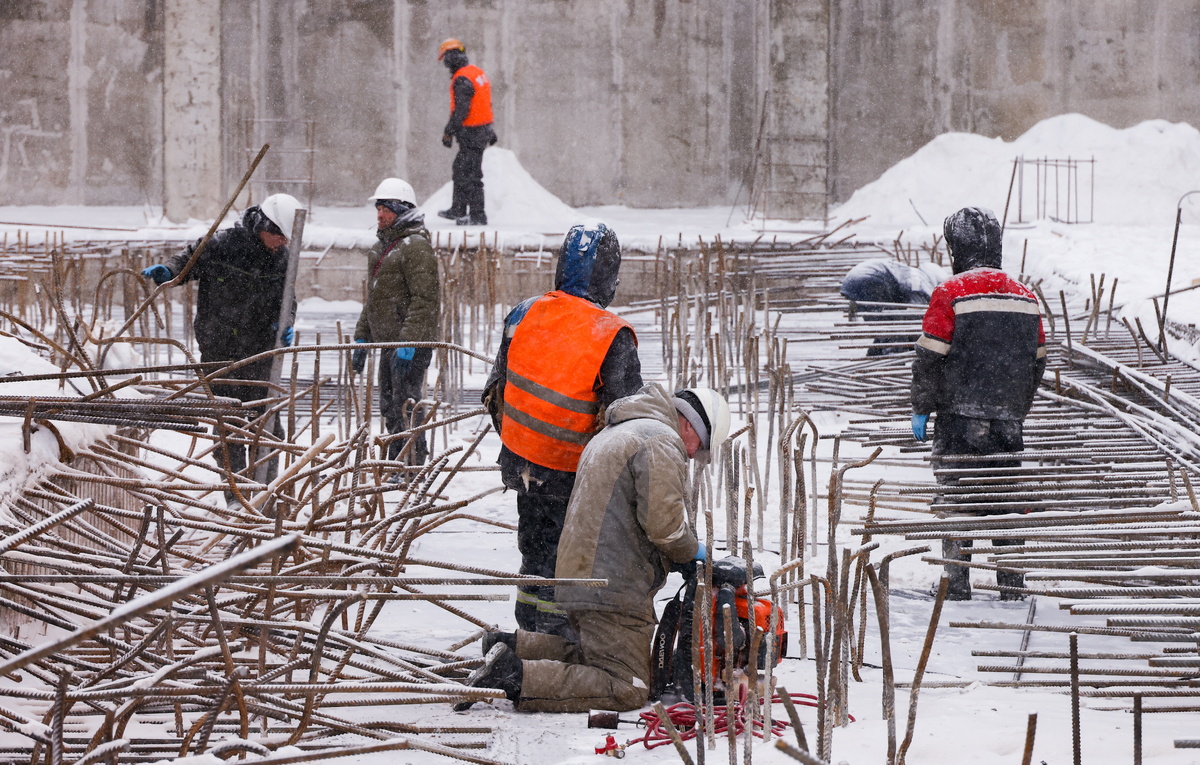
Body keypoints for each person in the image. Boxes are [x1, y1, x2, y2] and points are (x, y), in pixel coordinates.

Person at [455, 384, 729, 713]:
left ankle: (509, 646)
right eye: (699, 447)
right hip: (612, 583)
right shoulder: (660, 439)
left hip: (579, 573)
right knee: (627, 685)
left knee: (592, 656)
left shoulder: (618, 432)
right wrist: (692, 552)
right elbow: (664, 526)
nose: (692, 455)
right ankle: (514, 675)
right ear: (690, 424)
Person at [482, 222, 642, 639]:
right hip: (571, 476)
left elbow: (495, 392)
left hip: (520, 463)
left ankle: (529, 632)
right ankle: (554, 644)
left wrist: (523, 442)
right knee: (567, 561)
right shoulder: (611, 335)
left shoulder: (524, 312)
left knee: (533, 551)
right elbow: (629, 424)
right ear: (609, 274)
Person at [911, 206, 1047, 601]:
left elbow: (930, 358)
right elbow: (1038, 360)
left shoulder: (950, 292)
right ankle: (1011, 588)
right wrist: (1015, 406)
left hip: (958, 418)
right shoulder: (1025, 295)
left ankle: (957, 587)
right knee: (1004, 501)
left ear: (957, 246)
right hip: (1008, 422)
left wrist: (922, 405)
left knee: (958, 501)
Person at [141, 193, 302, 502]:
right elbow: (187, 261)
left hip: (260, 349)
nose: (282, 242)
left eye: (286, 237)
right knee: (228, 426)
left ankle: (266, 494)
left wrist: (286, 322)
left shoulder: (282, 258)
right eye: (278, 234)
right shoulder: (223, 245)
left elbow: (287, 297)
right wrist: (170, 273)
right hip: (219, 348)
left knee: (267, 423)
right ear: (262, 225)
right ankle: (237, 495)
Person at [350, 178, 441, 473]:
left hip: (409, 346)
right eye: (378, 209)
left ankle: (412, 465)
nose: (379, 215)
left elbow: (425, 300)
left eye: (385, 209)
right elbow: (375, 299)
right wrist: (362, 336)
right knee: (390, 405)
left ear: (401, 210)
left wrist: (409, 342)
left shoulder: (415, 247)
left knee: (407, 404)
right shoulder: (383, 248)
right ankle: (396, 463)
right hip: (389, 343)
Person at [436, 38, 497, 226]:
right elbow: (485, 103)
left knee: (471, 174)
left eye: (446, 59)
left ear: (450, 58)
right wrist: (490, 130)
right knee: (462, 169)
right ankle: (459, 209)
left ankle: (477, 215)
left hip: (472, 134)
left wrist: (449, 131)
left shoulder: (462, 78)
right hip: (481, 131)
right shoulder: (476, 73)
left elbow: (462, 110)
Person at [840, 258, 944, 356]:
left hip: (853, 282)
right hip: (869, 280)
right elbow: (917, 317)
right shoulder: (920, 283)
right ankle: (892, 356)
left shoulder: (909, 273)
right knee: (895, 326)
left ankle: (874, 357)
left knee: (884, 325)